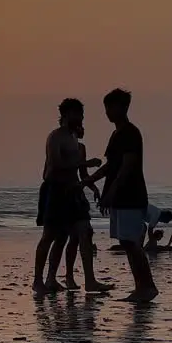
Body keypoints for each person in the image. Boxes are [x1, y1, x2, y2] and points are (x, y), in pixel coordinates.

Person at [84, 89, 157, 303]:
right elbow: (111, 166)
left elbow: (127, 168)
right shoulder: (116, 134)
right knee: (126, 242)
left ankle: (147, 287)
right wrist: (89, 180)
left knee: (132, 242)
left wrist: (111, 194)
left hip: (130, 196)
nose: (107, 112)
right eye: (106, 107)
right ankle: (141, 287)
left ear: (123, 107)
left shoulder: (130, 133)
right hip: (119, 197)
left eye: (111, 107)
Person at [33, 100, 110, 294]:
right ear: (67, 114)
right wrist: (85, 163)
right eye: (78, 113)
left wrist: (91, 186)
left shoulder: (74, 138)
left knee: (84, 231)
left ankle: (90, 280)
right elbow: (54, 166)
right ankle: (40, 280)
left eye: (82, 114)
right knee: (52, 237)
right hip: (56, 190)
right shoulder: (55, 137)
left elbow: (80, 170)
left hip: (73, 191)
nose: (81, 117)